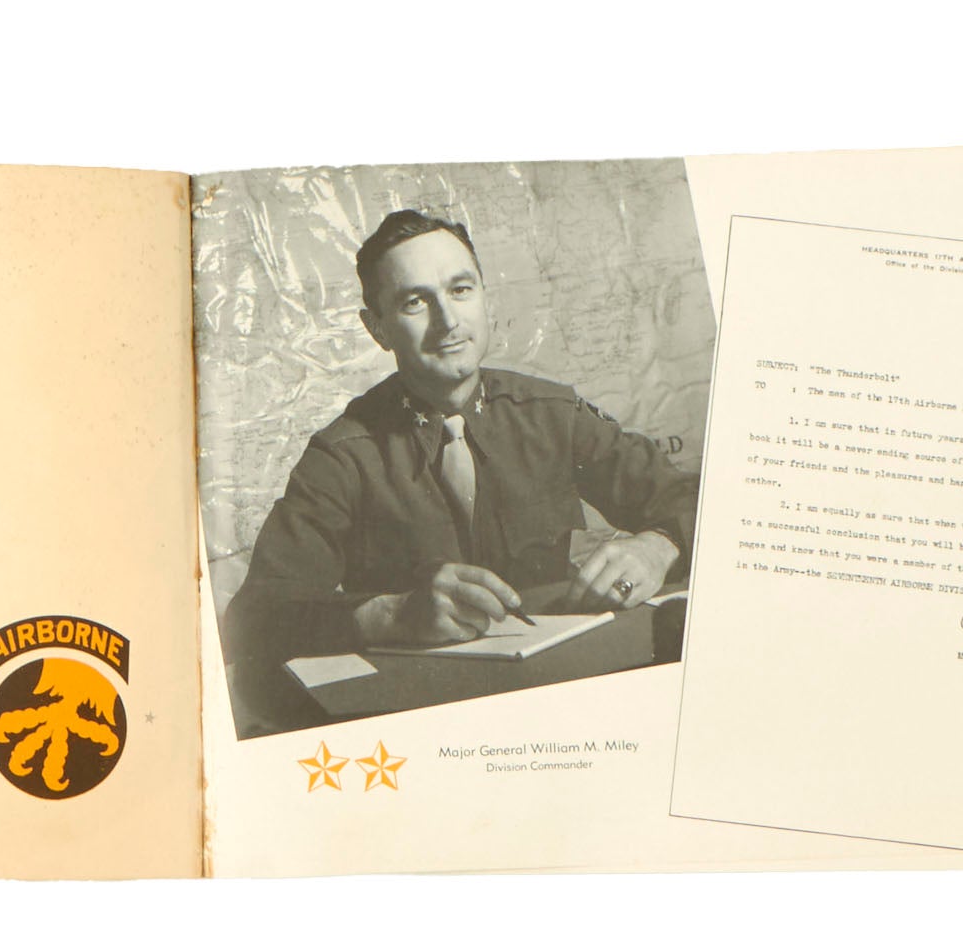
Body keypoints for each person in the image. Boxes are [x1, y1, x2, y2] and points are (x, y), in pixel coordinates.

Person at [224, 209, 699, 672]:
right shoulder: (343, 456)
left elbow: (697, 499)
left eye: (460, 289)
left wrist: (658, 547)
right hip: (423, 699)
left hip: (560, 675)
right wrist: (389, 614)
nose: (448, 320)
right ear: (378, 328)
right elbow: (255, 619)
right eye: (415, 301)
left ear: (484, 298)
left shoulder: (552, 414)